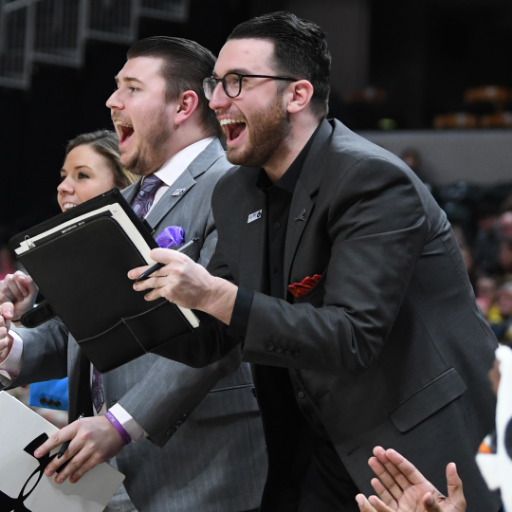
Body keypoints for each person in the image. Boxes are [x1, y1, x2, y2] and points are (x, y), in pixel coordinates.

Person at [126, 12, 500, 512]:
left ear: (297, 95)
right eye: (216, 82)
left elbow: (351, 337)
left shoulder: (369, 179)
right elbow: (219, 334)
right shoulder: (236, 191)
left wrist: (213, 293)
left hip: (408, 452)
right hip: (307, 457)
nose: (216, 100)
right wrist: (119, 302)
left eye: (236, 82)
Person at [0, 36, 266, 512]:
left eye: (131, 88)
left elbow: (221, 330)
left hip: (199, 465)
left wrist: (121, 424)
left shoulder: (234, 183)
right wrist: (13, 349)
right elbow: (93, 327)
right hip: (104, 466)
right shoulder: (126, 200)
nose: (111, 101)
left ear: (184, 104)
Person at [24, 130, 136, 416]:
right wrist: (14, 335)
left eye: (82, 175)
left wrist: (119, 426)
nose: (63, 187)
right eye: (64, 175)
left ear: (125, 185)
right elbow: (67, 340)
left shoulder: (153, 256)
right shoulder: (64, 264)